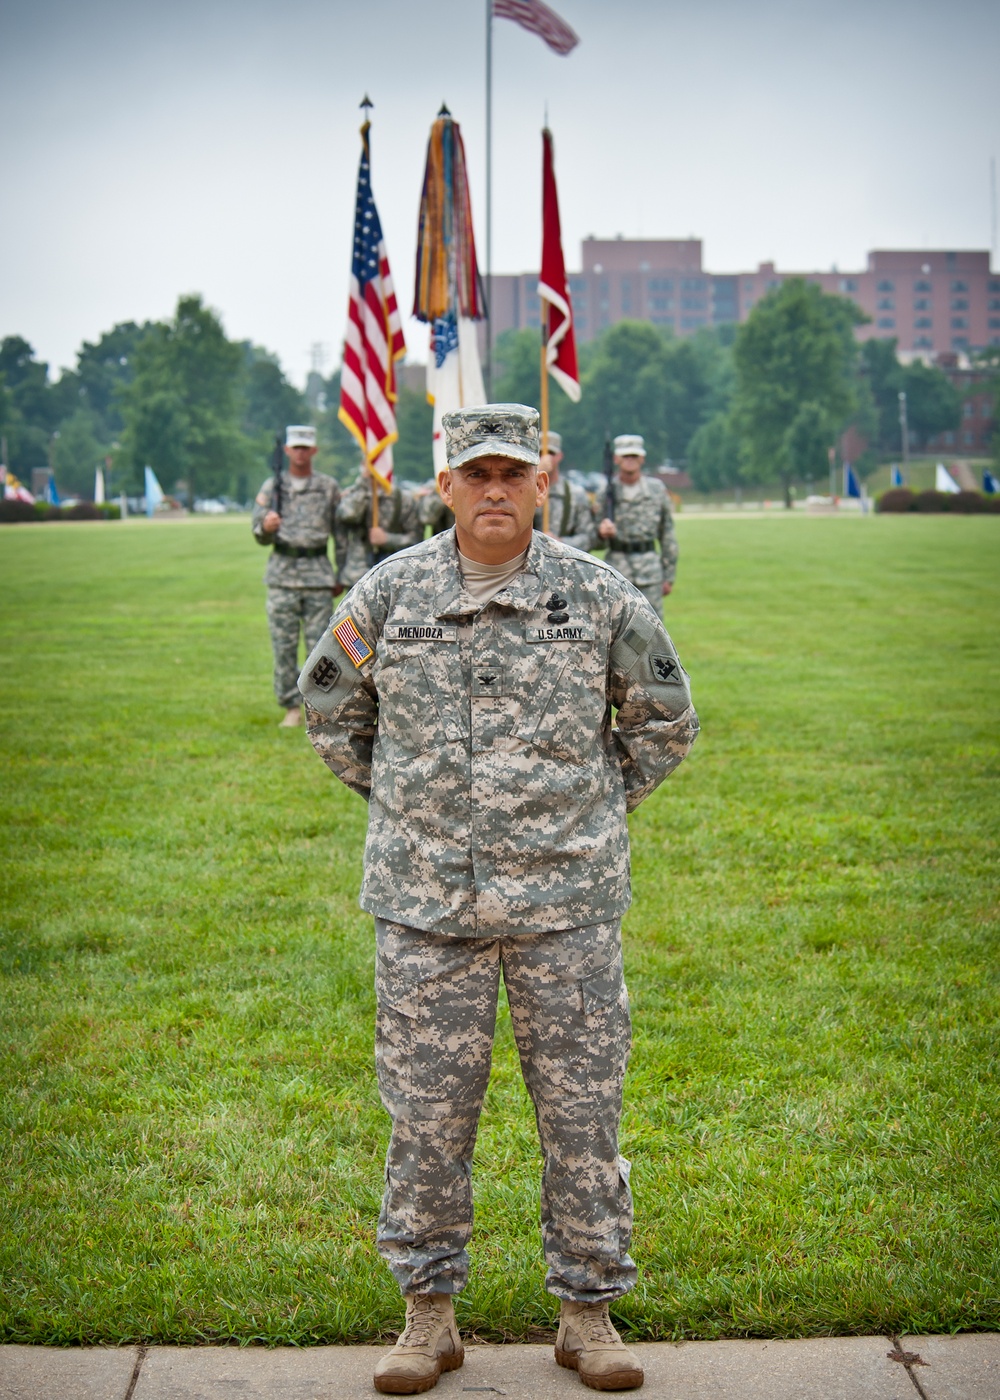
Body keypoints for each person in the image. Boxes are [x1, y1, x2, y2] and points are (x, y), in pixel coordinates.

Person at [299, 404, 699, 1395]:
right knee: (427, 1122)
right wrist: (410, 804)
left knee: (582, 1119)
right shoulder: (389, 594)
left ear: (542, 484)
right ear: (444, 486)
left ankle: (587, 1311)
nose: (493, 491)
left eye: (511, 475)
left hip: (565, 906)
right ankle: (427, 1315)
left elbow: (664, 721)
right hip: (426, 910)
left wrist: (587, 810)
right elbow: (326, 706)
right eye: (474, 473)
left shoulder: (597, 594)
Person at [251, 425, 340, 728]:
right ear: (287, 451)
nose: (300, 453)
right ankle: (290, 705)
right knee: (284, 645)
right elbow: (257, 531)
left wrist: (341, 573)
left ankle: (316, 706)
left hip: (317, 574)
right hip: (282, 575)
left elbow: (341, 536)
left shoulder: (328, 487)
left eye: (306, 447)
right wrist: (267, 527)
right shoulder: (271, 487)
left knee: (320, 648)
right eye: (295, 448)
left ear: (313, 451)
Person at [597, 435, 678, 613]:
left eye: (634, 456)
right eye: (626, 456)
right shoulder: (606, 493)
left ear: (642, 458)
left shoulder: (656, 489)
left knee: (652, 628)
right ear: (616, 459)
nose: (630, 460)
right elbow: (594, 534)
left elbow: (667, 534)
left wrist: (669, 575)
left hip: (649, 572)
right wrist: (602, 532)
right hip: (616, 570)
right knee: (615, 627)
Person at [335, 464, 422, 591]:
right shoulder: (354, 495)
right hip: (358, 576)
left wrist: (388, 539)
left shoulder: (403, 499)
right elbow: (348, 515)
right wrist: (363, 484)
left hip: (395, 576)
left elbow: (417, 541)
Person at [533, 429, 595, 550]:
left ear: (560, 456)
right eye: (540, 453)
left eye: (551, 453)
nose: (545, 458)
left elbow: (589, 538)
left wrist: (560, 542)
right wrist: (535, 474)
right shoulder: (524, 493)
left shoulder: (576, 494)